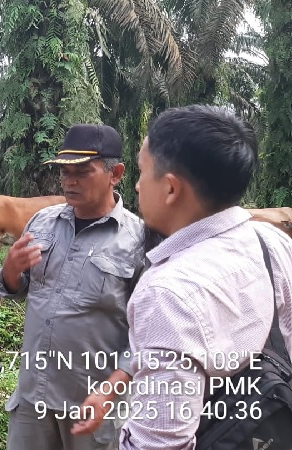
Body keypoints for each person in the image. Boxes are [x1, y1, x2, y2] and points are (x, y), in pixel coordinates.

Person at [113, 105, 292, 449]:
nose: (136, 185)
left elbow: (161, 443)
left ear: (170, 189)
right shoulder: (271, 242)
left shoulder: (168, 293)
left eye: (141, 171)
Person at [0, 124, 145, 450]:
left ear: (115, 173)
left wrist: (112, 389)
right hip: (33, 398)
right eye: (64, 172)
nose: (69, 181)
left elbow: (148, 334)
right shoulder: (42, 222)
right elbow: (13, 289)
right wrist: (10, 272)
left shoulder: (139, 241)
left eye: (82, 172)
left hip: (93, 405)